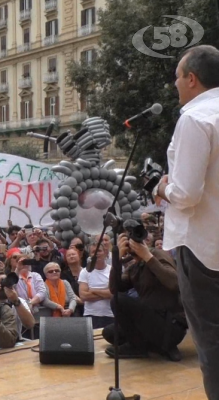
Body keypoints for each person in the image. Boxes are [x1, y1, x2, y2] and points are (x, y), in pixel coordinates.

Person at [150, 44, 219, 397]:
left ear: (192, 78)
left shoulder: (195, 118)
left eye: (177, 76)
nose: (174, 84)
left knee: (212, 345)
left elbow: (188, 194)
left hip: (203, 249)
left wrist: (164, 187)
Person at [102, 233, 187, 361]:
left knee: (119, 300)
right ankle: (151, 346)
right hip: (149, 322)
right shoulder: (134, 267)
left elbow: (174, 283)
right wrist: (117, 260)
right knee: (109, 333)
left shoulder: (157, 254)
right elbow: (115, 288)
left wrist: (147, 256)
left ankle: (141, 346)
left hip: (170, 324)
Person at [0, 271, 35, 340]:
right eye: (1, 281)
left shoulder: (19, 301)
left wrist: (16, 302)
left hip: (15, 341)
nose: (5, 284)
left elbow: (30, 324)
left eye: (6, 280)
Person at [78, 243, 113, 329]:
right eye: (94, 251)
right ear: (90, 254)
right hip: (91, 315)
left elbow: (113, 294)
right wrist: (105, 292)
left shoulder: (112, 270)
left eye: (99, 251)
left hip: (110, 315)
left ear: (105, 252)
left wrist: (93, 290)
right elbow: (83, 295)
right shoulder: (84, 272)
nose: (97, 253)